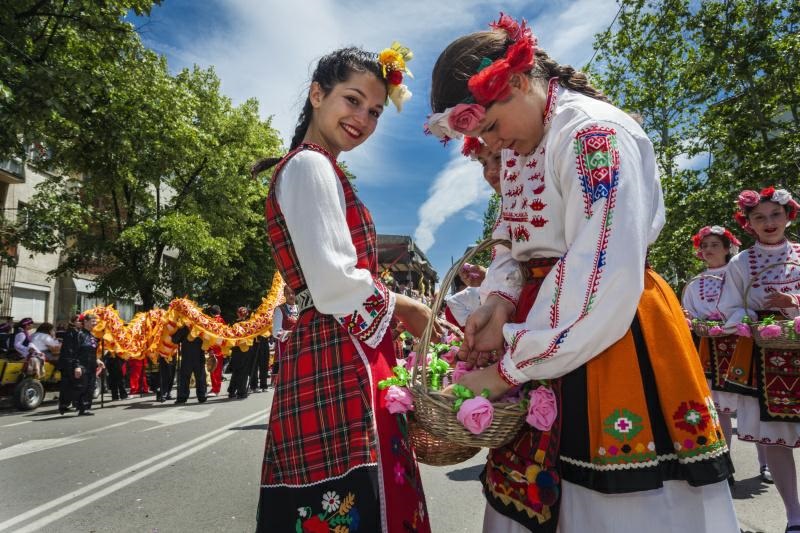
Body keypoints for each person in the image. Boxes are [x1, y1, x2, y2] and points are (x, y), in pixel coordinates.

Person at [427, 14, 736, 533]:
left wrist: (506, 370)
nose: (496, 146)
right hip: (542, 323)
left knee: (610, 504)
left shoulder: (593, 135)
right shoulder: (524, 141)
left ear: (519, 83)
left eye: (493, 128)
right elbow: (510, 234)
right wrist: (498, 300)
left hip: (605, 325)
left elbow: (602, 266)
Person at [251, 45, 433, 532]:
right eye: (352, 100)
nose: (363, 119)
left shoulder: (319, 166)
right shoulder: (309, 165)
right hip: (337, 352)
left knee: (335, 495)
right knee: (355, 494)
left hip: (333, 346)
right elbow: (333, 282)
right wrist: (407, 308)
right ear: (317, 94)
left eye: (374, 111)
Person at [717, 186, 800, 533]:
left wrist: (793, 304)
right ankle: (794, 515)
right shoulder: (740, 263)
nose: (769, 223)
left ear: (788, 216)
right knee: (776, 439)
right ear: (748, 223)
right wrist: (752, 320)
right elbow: (729, 307)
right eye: (759, 217)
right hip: (767, 360)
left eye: (775, 215)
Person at [682, 225, 772, 486]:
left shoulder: (738, 275)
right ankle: (726, 464)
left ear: (727, 248)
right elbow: (689, 312)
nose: (708, 250)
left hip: (742, 346)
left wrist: (731, 323)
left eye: (714, 244)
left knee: (753, 408)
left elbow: (748, 305)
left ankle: (765, 463)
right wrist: (697, 322)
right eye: (705, 245)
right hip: (711, 351)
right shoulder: (695, 283)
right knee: (719, 409)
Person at [58, 314, 104, 415]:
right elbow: (75, 352)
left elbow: (91, 351)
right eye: (93, 321)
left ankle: (85, 408)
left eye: (95, 321)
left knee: (90, 387)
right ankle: (66, 404)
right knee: (80, 387)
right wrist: (77, 366)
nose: (95, 323)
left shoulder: (91, 336)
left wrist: (97, 360)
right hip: (82, 365)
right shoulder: (79, 335)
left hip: (91, 365)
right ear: (86, 322)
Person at [270, 285, 298, 388]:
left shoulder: (300, 308)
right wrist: (291, 333)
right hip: (285, 349)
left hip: (299, 347)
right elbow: (275, 332)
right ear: (284, 295)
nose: (291, 295)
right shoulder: (280, 309)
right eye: (288, 293)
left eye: (293, 293)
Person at [171, 325, 207, 404]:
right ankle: (201, 396)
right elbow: (175, 340)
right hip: (194, 357)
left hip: (192, 357)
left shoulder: (198, 327)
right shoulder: (199, 326)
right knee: (197, 377)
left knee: (191, 377)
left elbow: (174, 339)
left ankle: (184, 397)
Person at [227, 306, 253, 399]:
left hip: (235, 349)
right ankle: (241, 392)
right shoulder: (248, 324)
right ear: (246, 314)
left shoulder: (234, 323)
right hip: (245, 349)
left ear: (238, 314)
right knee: (243, 371)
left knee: (236, 370)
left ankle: (232, 391)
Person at [206, 305, 224, 397]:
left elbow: (210, 337)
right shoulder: (222, 320)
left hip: (215, 348)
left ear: (211, 313)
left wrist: (210, 349)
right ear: (219, 311)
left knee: (214, 370)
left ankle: (215, 389)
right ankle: (215, 388)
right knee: (217, 370)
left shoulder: (213, 321)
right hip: (220, 348)